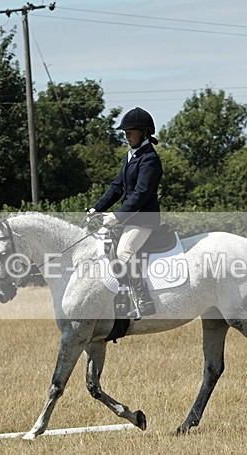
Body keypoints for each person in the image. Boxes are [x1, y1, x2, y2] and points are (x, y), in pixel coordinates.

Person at [87, 107, 163, 318]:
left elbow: (141, 193)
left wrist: (116, 215)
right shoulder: (131, 156)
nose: (126, 135)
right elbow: (117, 187)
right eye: (125, 132)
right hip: (130, 218)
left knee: (124, 252)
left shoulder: (150, 159)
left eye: (130, 132)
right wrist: (96, 208)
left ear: (144, 132)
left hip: (144, 219)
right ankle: (120, 295)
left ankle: (144, 301)